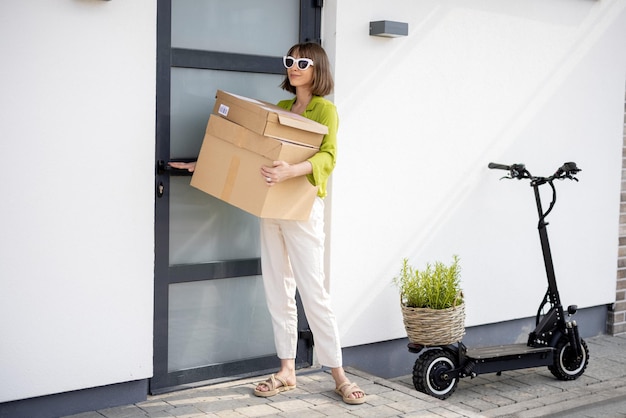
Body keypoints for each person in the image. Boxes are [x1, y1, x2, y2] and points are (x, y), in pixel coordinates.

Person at [169, 42, 365, 405]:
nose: (294, 67)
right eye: (289, 61)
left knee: (314, 292)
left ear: (317, 68)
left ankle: (338, 373)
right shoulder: (283, 109)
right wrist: (205, 164)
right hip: (270, 208)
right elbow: (253, 152)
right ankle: (287, 371)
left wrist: (293, 170)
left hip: (303, 209)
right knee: (278, 289)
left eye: (302, 62)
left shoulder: (326, 110)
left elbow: (330, 156)